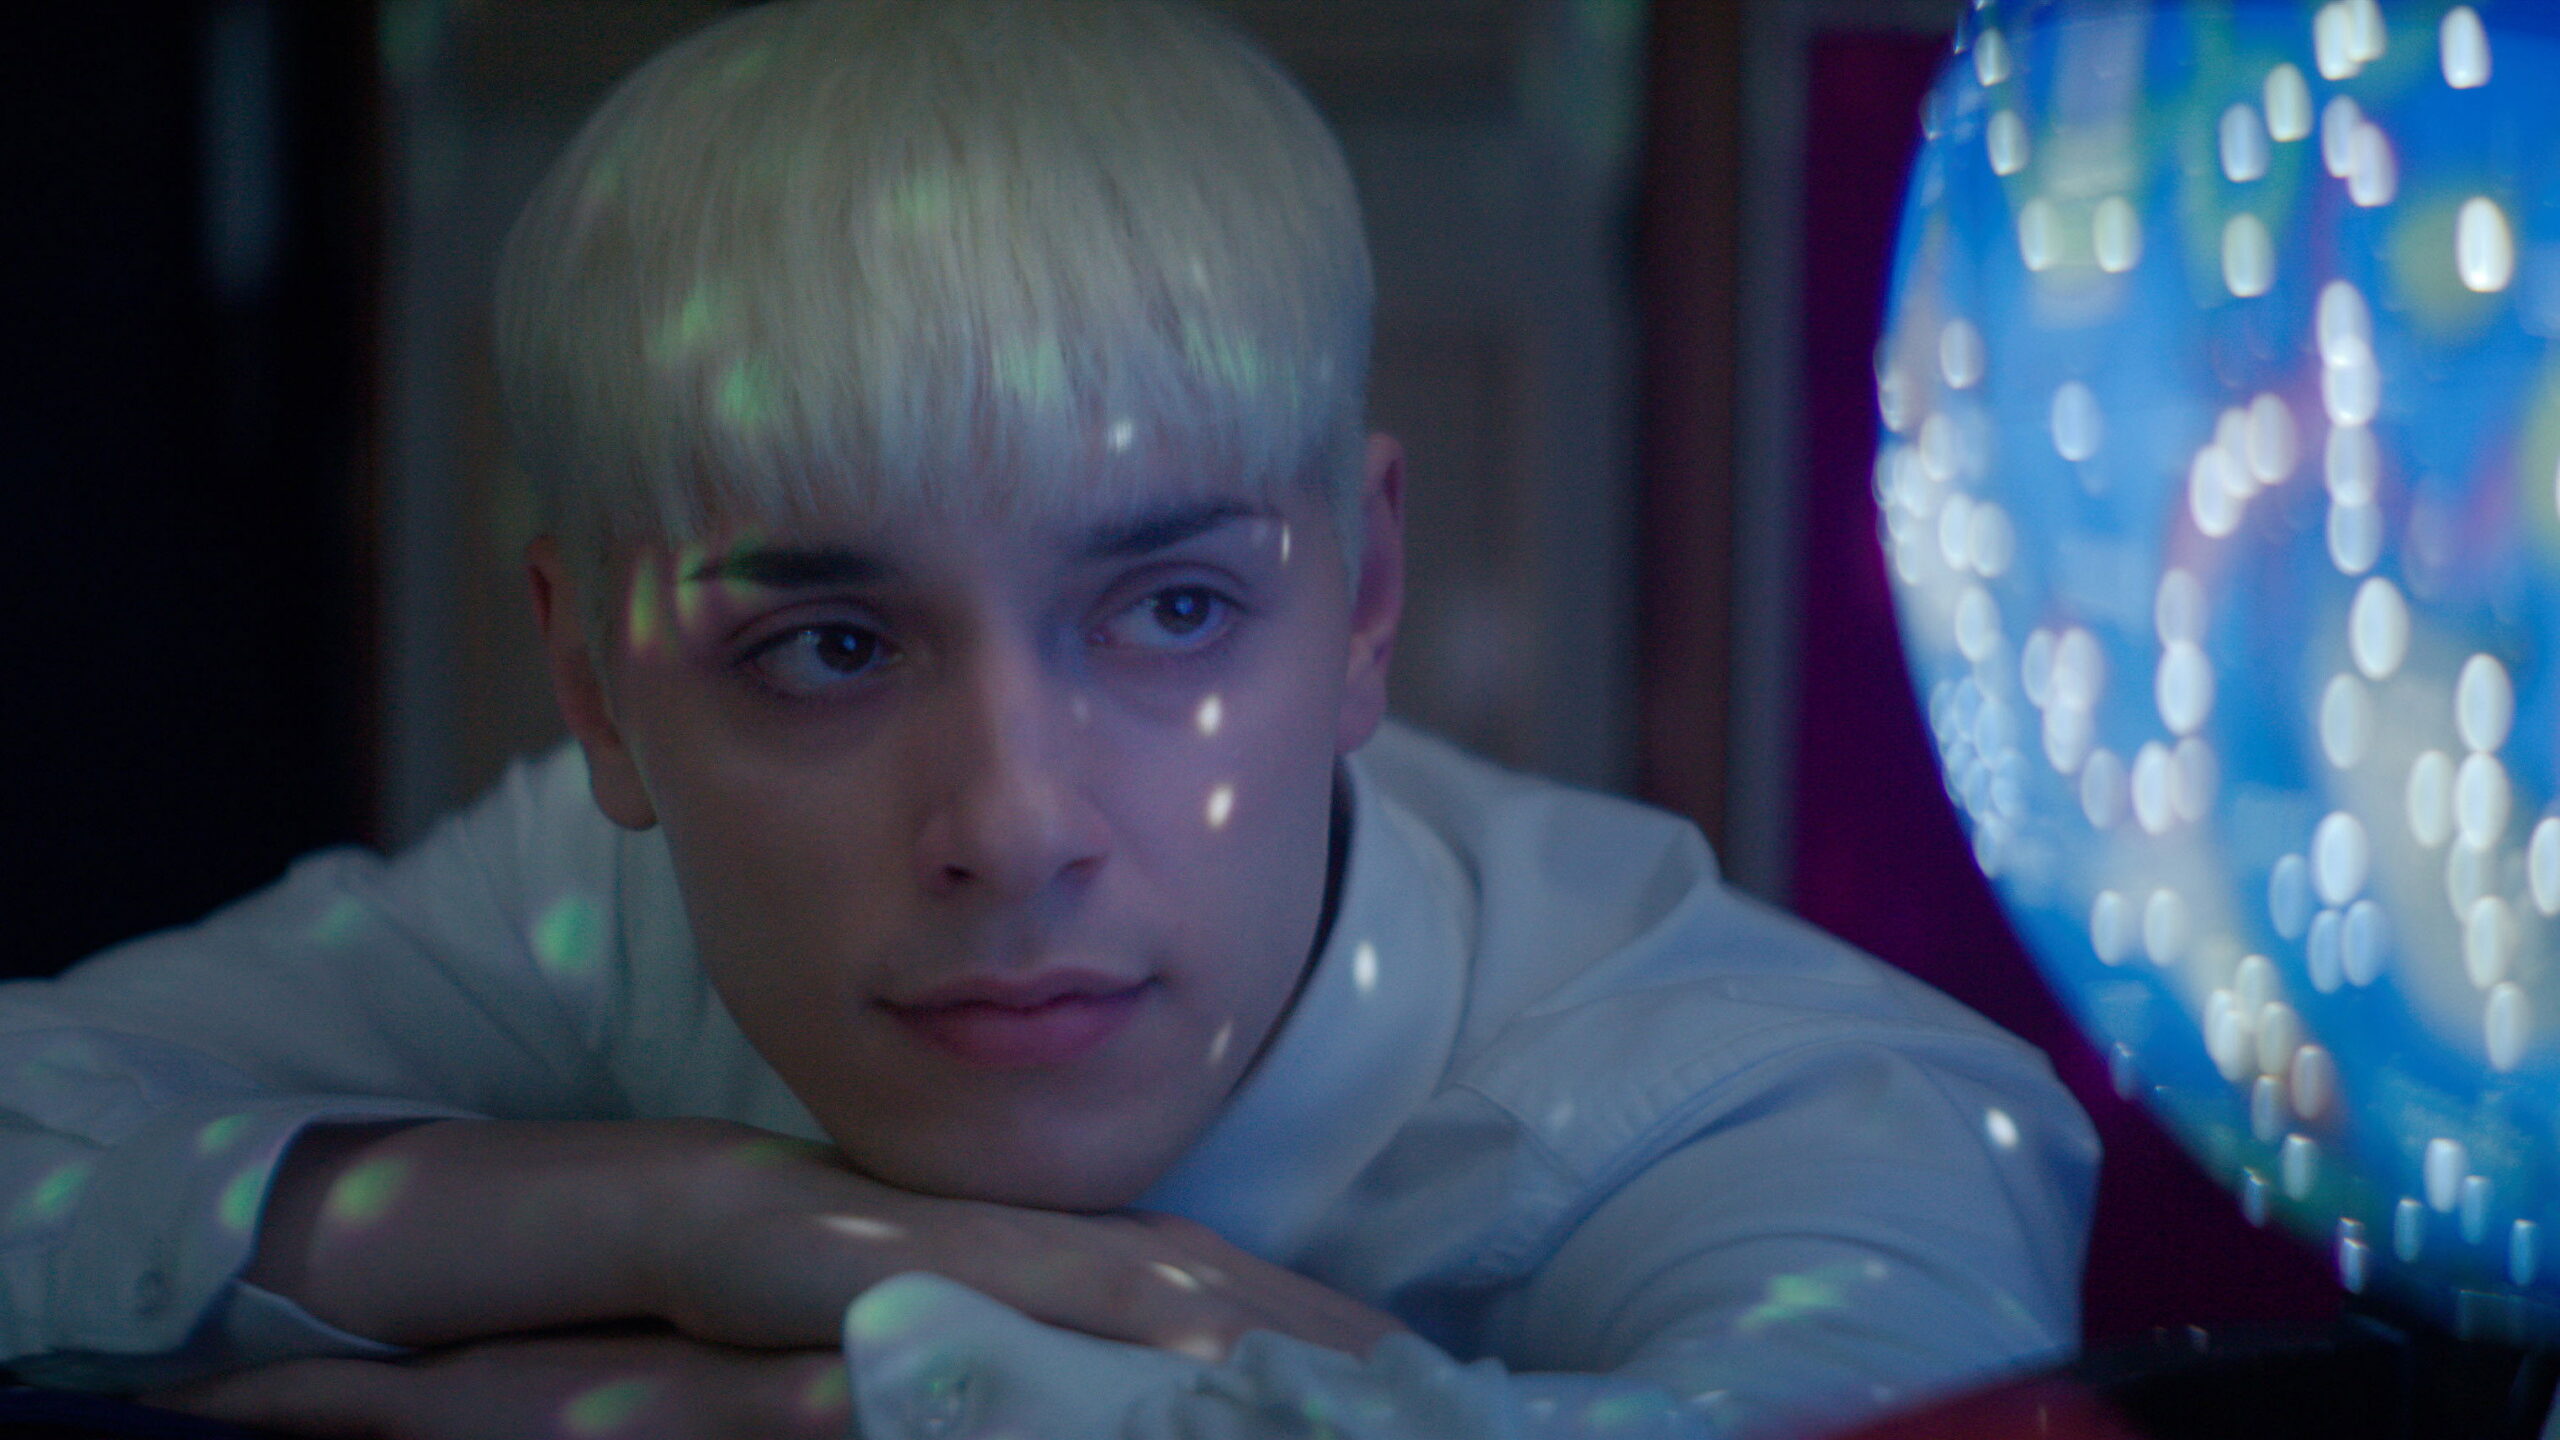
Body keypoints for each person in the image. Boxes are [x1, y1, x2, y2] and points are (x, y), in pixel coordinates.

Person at [0, 2, 2096, 1436]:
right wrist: (698, 1227)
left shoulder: (1785, 1104)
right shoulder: (604, 902)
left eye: (1172, 609)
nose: (1009, 823)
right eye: (829, 649)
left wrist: (812, 1396)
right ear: (597, 689)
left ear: (1363, 597)